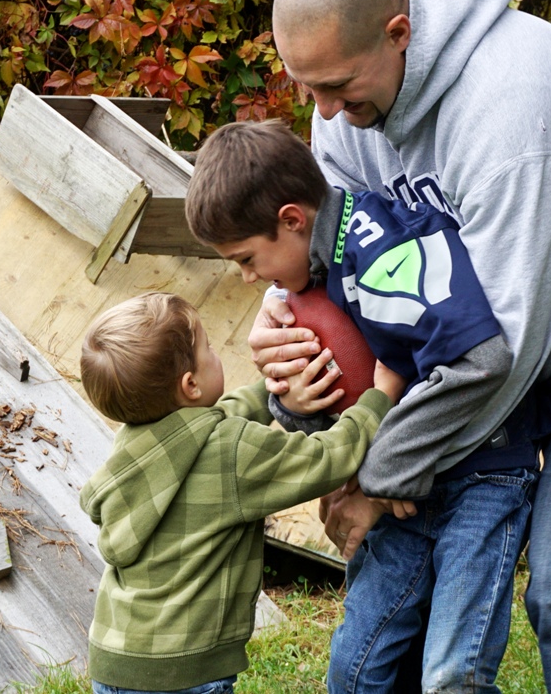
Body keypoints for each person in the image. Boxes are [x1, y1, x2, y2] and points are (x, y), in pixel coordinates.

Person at [250, 0, 551, 692]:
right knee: (406, 558)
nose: (323, 114)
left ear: (399, 32)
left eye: (338, 86)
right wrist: (284, 321)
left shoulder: (515, 104)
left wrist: (376, 481)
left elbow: (499, 350)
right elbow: (335, 257)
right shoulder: (344, 107)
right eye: (307, 87)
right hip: (487, 329)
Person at [185, 119, 551, 693]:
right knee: (355, 671)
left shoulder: (382, 252)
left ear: (291, 220)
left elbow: (480, 359)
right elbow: (341, 396)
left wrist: (378, 474)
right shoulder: (313, 273)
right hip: (403, 488)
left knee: (454, 675)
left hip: (482, 475)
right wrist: (295, 407)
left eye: (247, 259)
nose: (248, 278)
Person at [77, 291, 404, 694]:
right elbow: (326, 458)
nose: (216, 353)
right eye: (208, 348)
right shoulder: (229, 451)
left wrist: (275, 394)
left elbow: (216, 418)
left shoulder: (135, 442)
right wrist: (380, 397)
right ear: (191, 384)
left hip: (114, 659)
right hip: (184, 671)